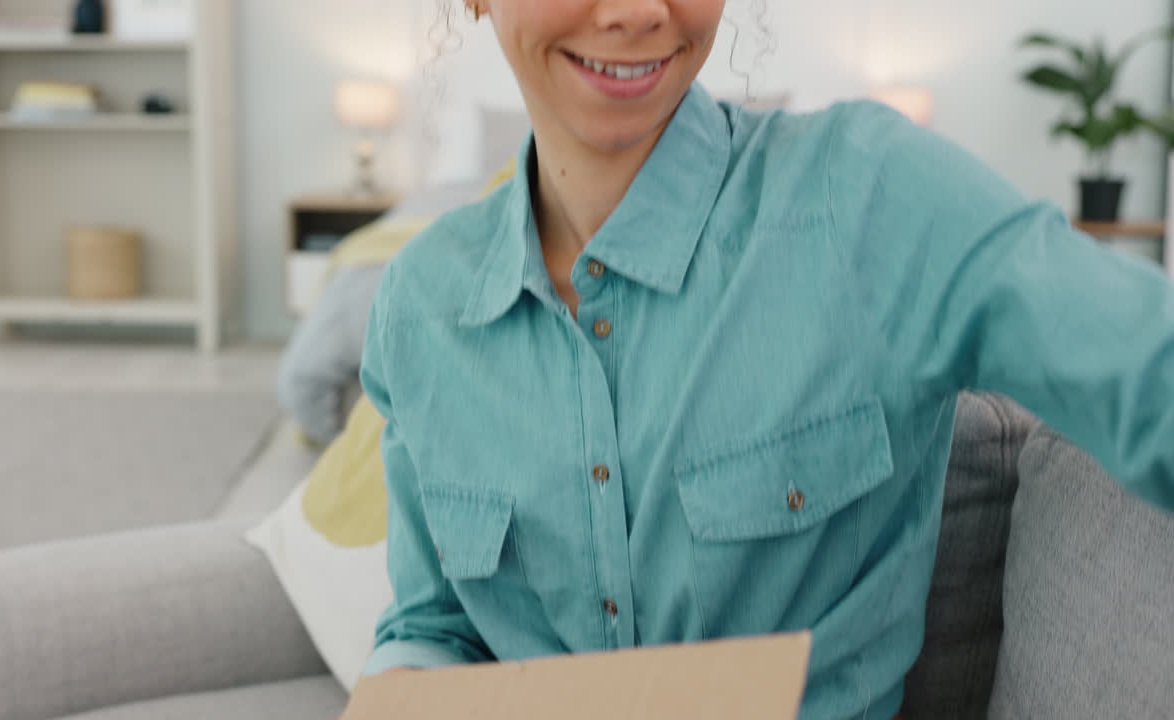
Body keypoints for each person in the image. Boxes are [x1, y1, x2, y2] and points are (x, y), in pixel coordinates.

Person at [355, 1, 1174, 717]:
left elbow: (1147, 371)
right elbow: (434, 628)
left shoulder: (869, 196)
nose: (638, 10)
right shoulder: (420, 305)